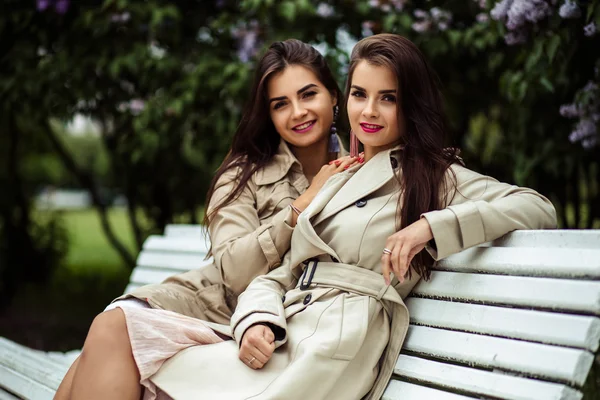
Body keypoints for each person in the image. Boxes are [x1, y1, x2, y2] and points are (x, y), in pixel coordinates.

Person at [143, 34, 557, 400]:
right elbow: (282, 273)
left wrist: (432, 226)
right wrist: (257, 319)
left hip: (334, 344)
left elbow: (538, 208)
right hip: (287, 331)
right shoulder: (340, 174)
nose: (370, 112)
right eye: (360, 94)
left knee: (151, 369)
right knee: (148, 367)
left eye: (388, 98)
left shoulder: (435, 174)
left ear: (411, 104)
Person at [54, 39, 360, 400]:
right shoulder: (243, 173)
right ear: (269, 114)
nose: (297, 112)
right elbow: (233, 270)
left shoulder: (364, 167)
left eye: (308, 95)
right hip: (212, 306)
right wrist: (299, 208)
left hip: (275, 322)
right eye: (281, 104)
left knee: (103, 344)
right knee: (111, 328)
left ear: (334, 96)